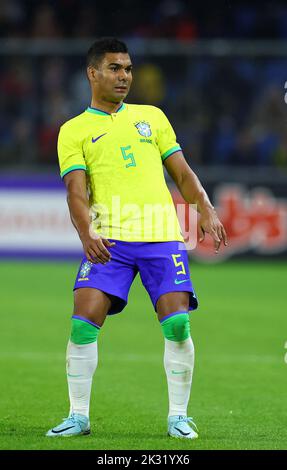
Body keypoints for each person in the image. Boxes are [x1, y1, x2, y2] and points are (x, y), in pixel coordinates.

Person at [46, 37, 227, 439]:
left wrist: (205, 207)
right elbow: (76, 192)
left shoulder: (152, 117)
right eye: (115, 68)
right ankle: (78, 416)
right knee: (83, 322)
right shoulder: (73, 130)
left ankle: (178, 416)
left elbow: (182, 172)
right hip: (110, 240)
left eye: (128, 68)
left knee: (178, 325)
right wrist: (86, 232)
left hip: (161, 237)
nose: (124, 76)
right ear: (93, 74)